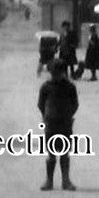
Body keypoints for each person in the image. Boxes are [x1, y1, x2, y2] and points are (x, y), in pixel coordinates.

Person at [37, 59, 79, 190]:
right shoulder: (46, 87)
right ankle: (49, 181)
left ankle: (66, 181)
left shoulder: (70, 87)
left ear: (63, 72)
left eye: (58, 72)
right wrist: (47, 116)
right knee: (51, 154)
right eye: (53, 73)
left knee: (65, 153)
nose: (55, 75)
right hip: (51, 123)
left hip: (65, 123)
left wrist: (68, 114)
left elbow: (75, 104)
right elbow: (40, 104)